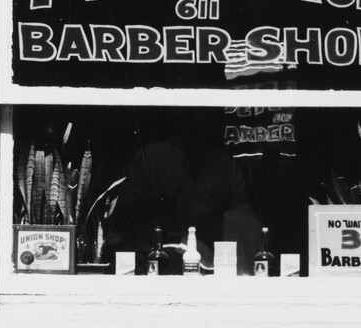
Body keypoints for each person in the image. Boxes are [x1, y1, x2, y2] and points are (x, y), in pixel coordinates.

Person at [104, 109, 264, 274]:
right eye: (192, 116)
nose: (199, 123)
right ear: (180, 118)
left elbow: (245, 223)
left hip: (209, 265)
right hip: (153, 261)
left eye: (206, 117)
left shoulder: (226, 167)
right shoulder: (149, 159)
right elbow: (124, 219)